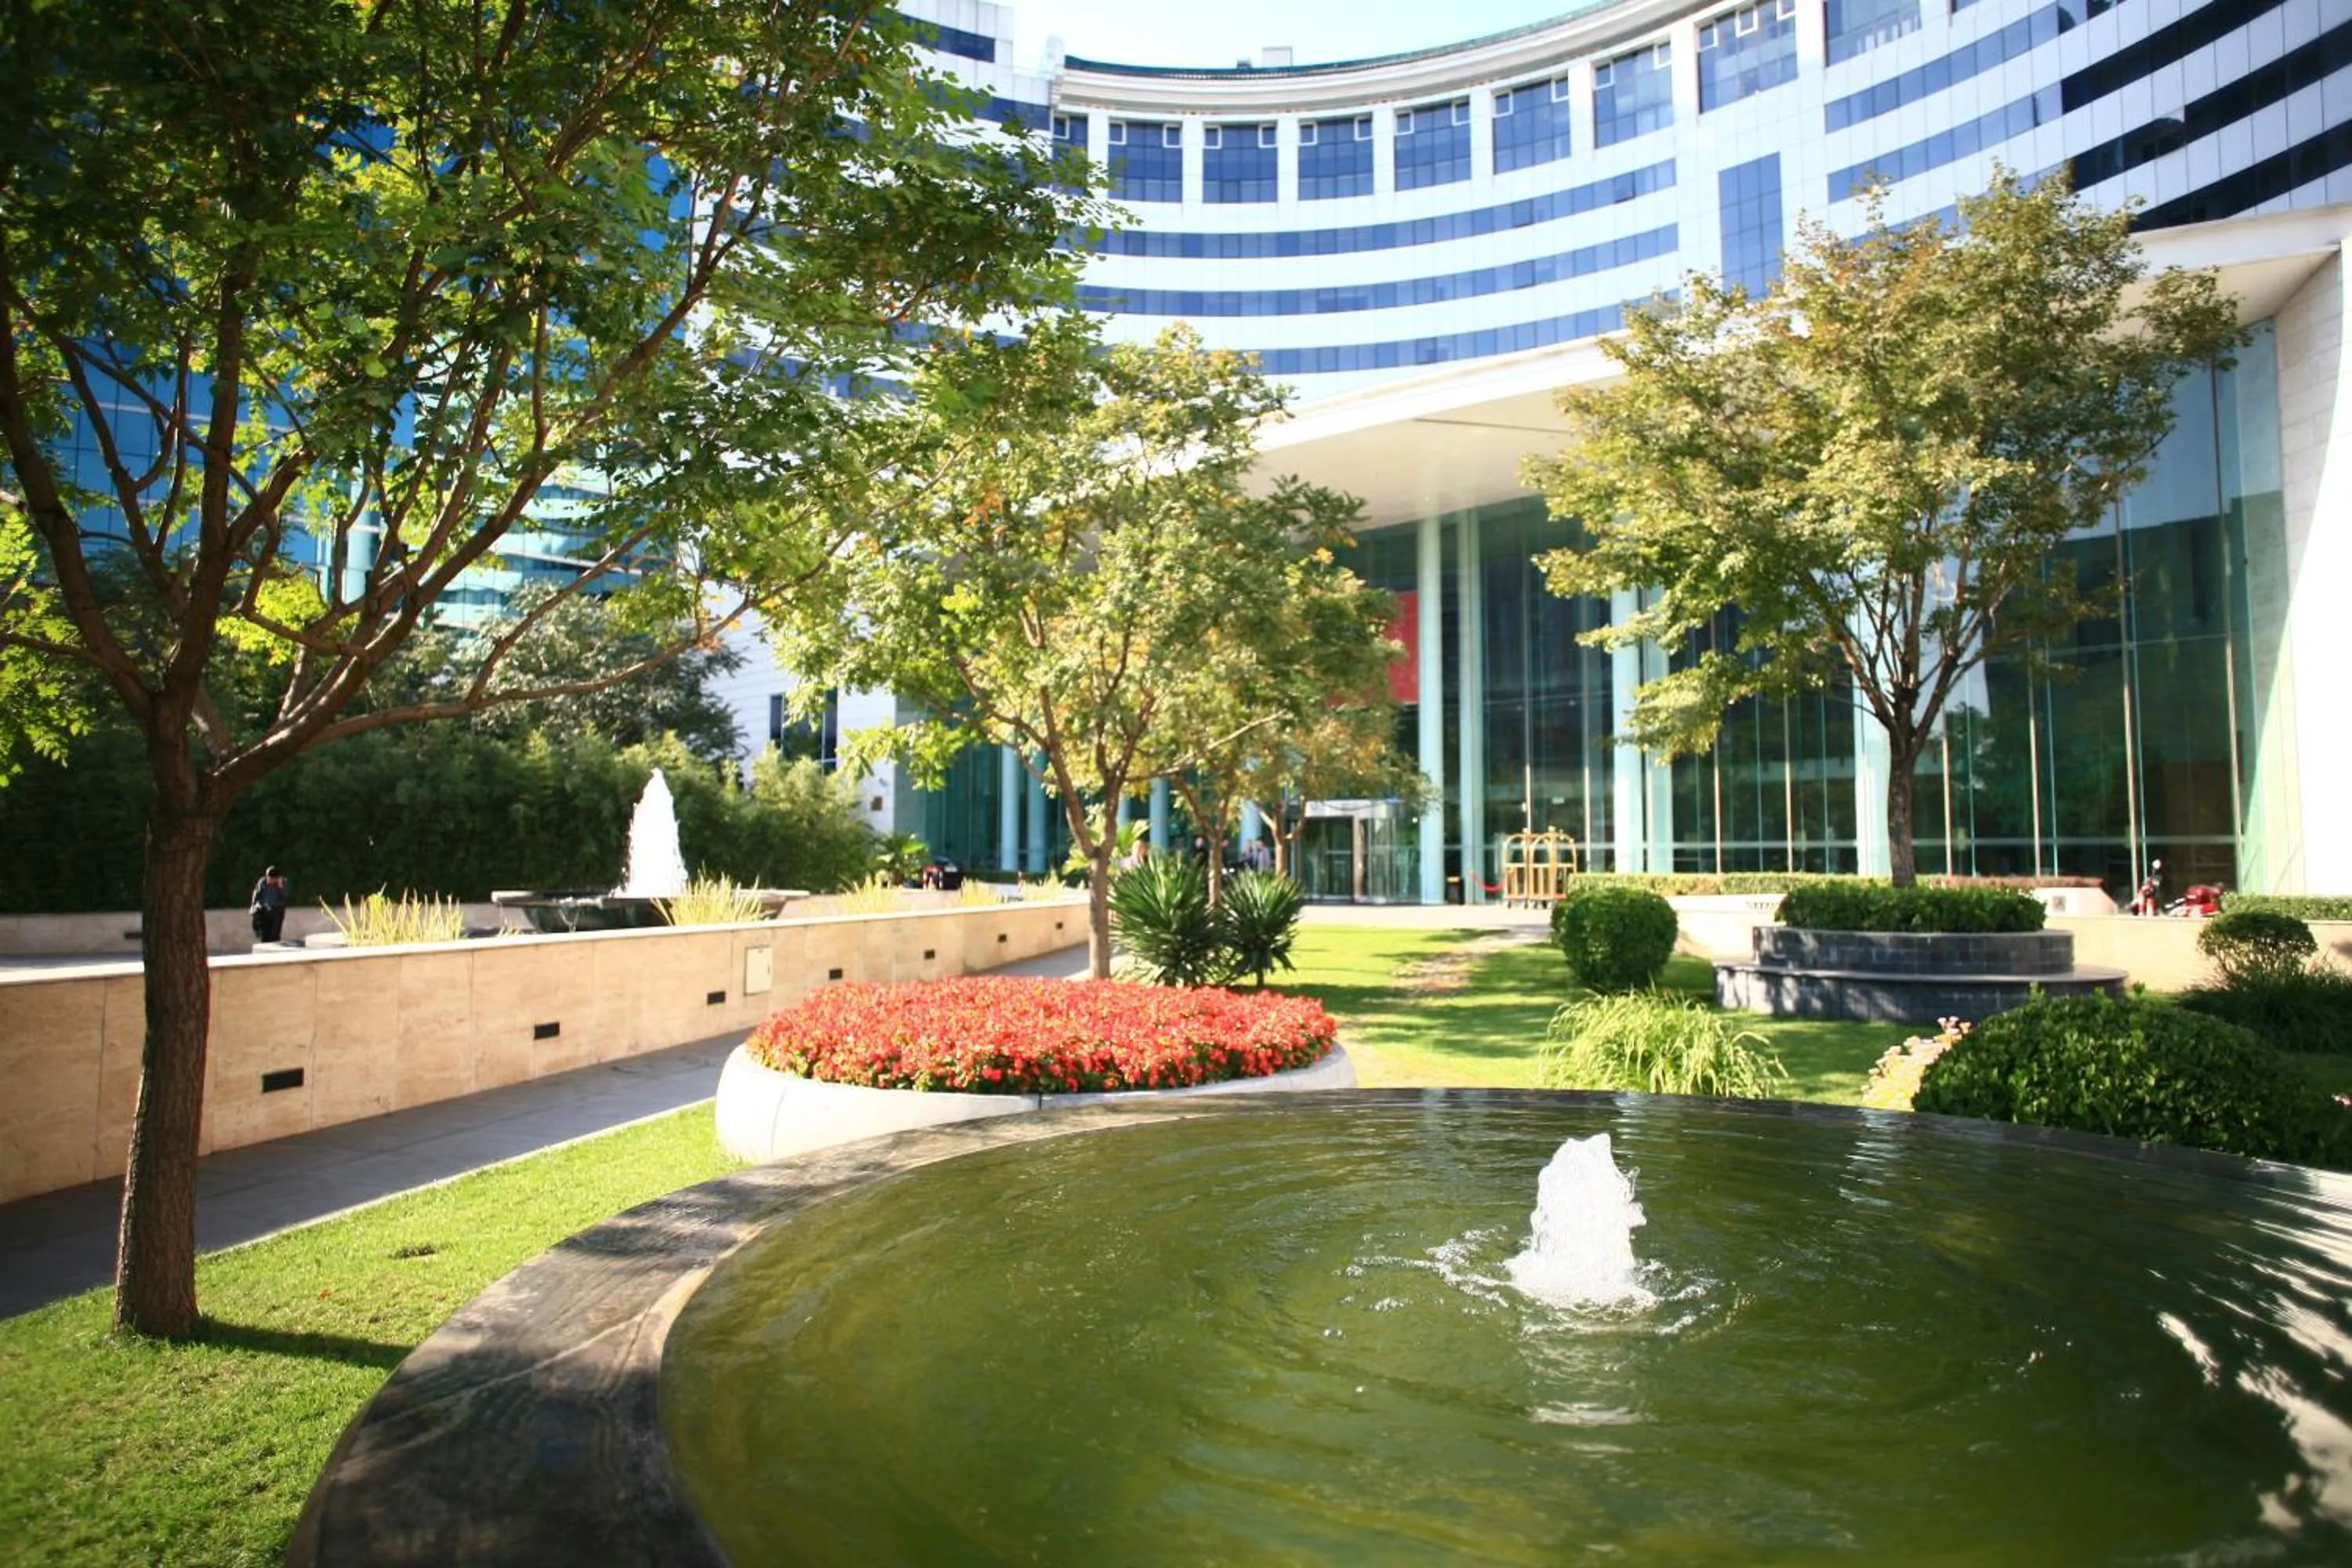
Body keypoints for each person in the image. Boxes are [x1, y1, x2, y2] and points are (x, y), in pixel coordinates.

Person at [249, 865, 289, 944]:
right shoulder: (262, 882)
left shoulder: (282, 883)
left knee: (274, 935)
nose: (269, 880)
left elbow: (285, 896)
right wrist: (254, 905)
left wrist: (281, 887)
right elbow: (257, 894)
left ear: (276, 878)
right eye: (268, 878)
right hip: (265, 910)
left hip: (277, 911)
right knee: (265, 935)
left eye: (271, 879)